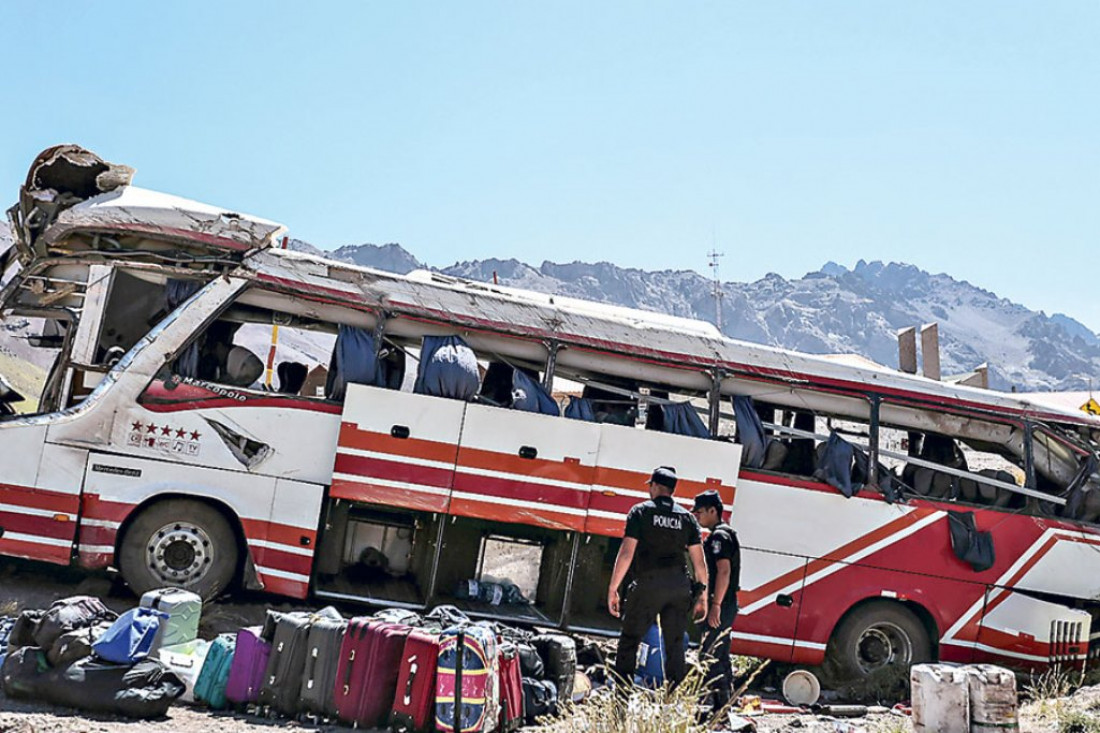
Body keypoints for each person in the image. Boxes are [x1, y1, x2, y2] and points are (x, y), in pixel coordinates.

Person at [607, 466, 708, 690]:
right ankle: (672, 702)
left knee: (630, 642)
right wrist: (702, 596)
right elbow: (699, 562)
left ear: (654, 486)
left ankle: (621, 701)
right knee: (674, 647)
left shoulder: (640, 512)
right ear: (672, 490)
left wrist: (614, 587)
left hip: (648, 584)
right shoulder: (687, 518)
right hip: (679, 586)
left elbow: (626, 553)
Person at [691, 489, 741, 710]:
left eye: (700, 511)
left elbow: (723, 572)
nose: (696, 516)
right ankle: (727, 703)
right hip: (724, 603)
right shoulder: (723, 533)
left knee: (709, 655)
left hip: (721, 603)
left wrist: (715, 605)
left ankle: (715, 706)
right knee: (720, 653)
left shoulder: (719, 537)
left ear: (713, 511)